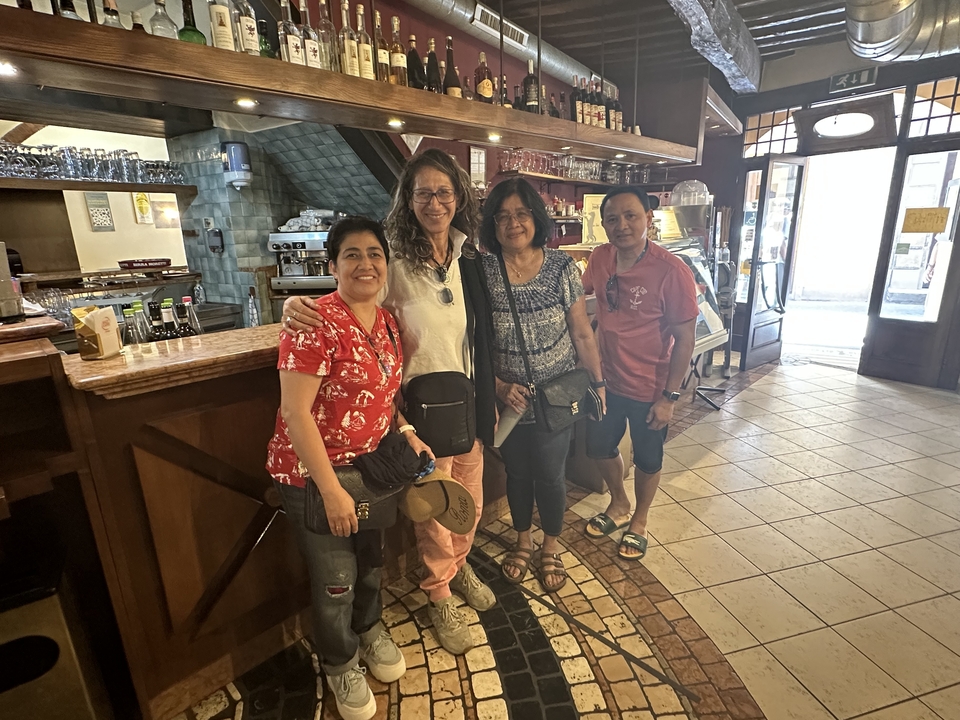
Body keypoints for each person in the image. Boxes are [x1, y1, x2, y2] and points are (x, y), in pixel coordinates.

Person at [281, 148, 497, 656]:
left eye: (444, 192)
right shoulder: (394, 258)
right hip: (417, 409)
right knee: (435, 507)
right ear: (408, 200)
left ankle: (460, 568)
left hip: (465, 400)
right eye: (423, 193)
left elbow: (479, 333)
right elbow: (355, 293)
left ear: (458, 196)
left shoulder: (469, 255)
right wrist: (297, 300)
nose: (435, 202)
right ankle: (439, 592)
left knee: (469, 498)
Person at [266, 217, 407, 720]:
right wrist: (329, 490)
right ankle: (338, 659)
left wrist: (407, 432)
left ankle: (368, 631)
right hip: (313, 477)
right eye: (351, 254)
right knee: (335, 579)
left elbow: (384, 395)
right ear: (331, 266)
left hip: (372, 469)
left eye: (374, 253)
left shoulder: (387, 322)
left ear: (386, 264)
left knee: (371, 565)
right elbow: (295, 413)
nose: (365, 263)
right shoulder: (313, 323)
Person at [479, 178, 604, 591]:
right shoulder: (482, 270)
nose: (512, 223)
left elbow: (582, 332)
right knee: (516, 473)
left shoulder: (562, 268)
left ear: (536, 217)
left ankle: (550, 545)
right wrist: (497, 385)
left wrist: (598, 384)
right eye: (502, 216)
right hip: (509, 399)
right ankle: (522, 540)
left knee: (551, 474)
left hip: (556, 396)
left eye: (521, 213)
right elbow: (472, 338)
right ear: (492, 224)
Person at [581, 187, 698, 561]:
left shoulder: (671, 271)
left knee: (649, 459)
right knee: (598, 446)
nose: (622, 225)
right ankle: (619, 502)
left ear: (649, 218)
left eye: (631, 216)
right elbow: (579, 295)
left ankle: (640, 520)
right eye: (612, 219)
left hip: (650, 387)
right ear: (603, 225)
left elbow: (684, 339)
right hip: (605, 381)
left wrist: (670, 398)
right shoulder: (600, 258)